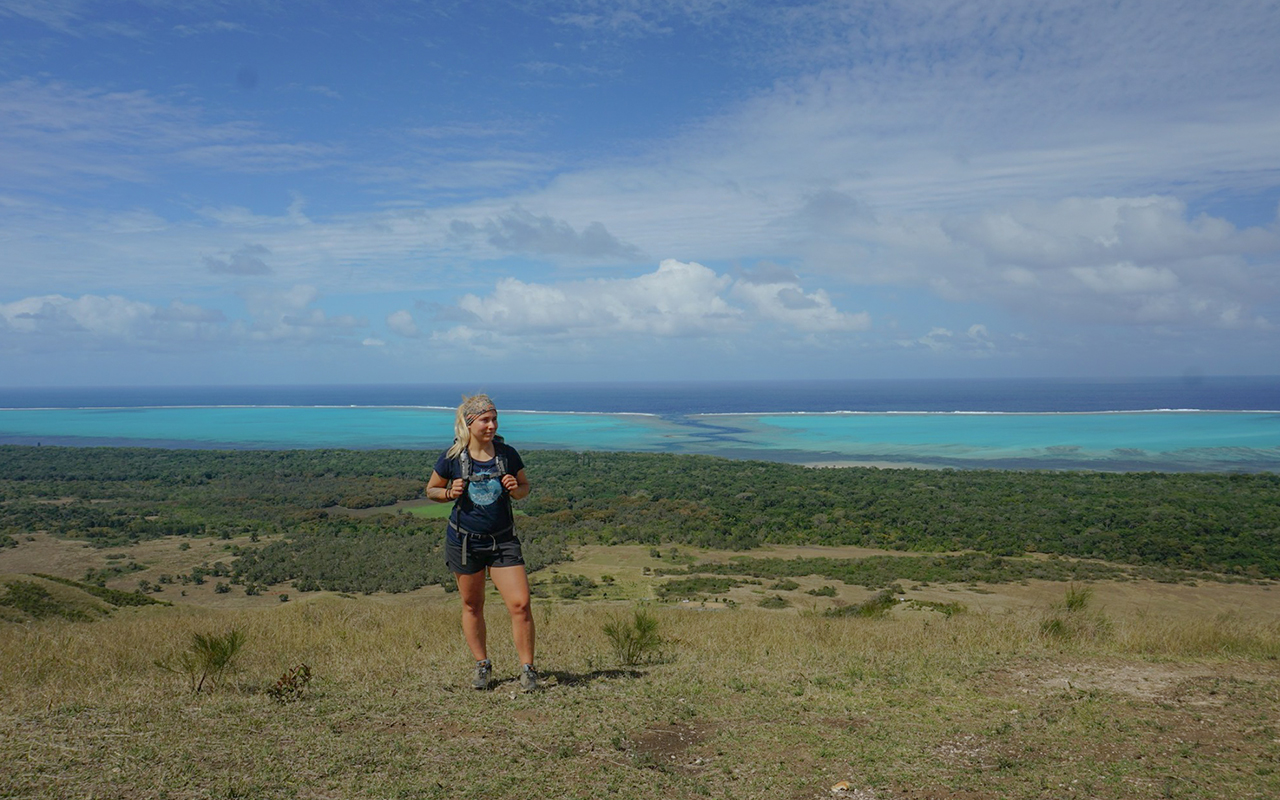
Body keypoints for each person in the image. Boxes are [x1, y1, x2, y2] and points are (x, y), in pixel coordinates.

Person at [426, 394, 537, 691]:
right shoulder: (453, 457)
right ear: (469, 423)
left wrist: (517, 489)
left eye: (494, 419)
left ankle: (528, 669)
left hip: (503, 541)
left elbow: (525, 487)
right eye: (485, 420)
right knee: (472, 605)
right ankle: (482, 665)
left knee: (521, 604)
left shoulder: (507, 454)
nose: (491, 425)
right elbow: (431, 490)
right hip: (464, 542)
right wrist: (450, 493)